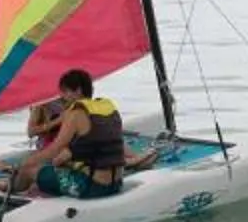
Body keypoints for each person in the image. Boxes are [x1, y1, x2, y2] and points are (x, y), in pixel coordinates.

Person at [10, 68, 159, 199]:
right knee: (59, 165)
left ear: (78, 91)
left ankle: (10, 190)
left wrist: (27, 163)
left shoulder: (75, 113)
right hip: (116, 183)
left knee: (28, 170)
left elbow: (54, 150)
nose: (62, 96)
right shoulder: (107, 106)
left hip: (91, 187)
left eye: (65, 91)